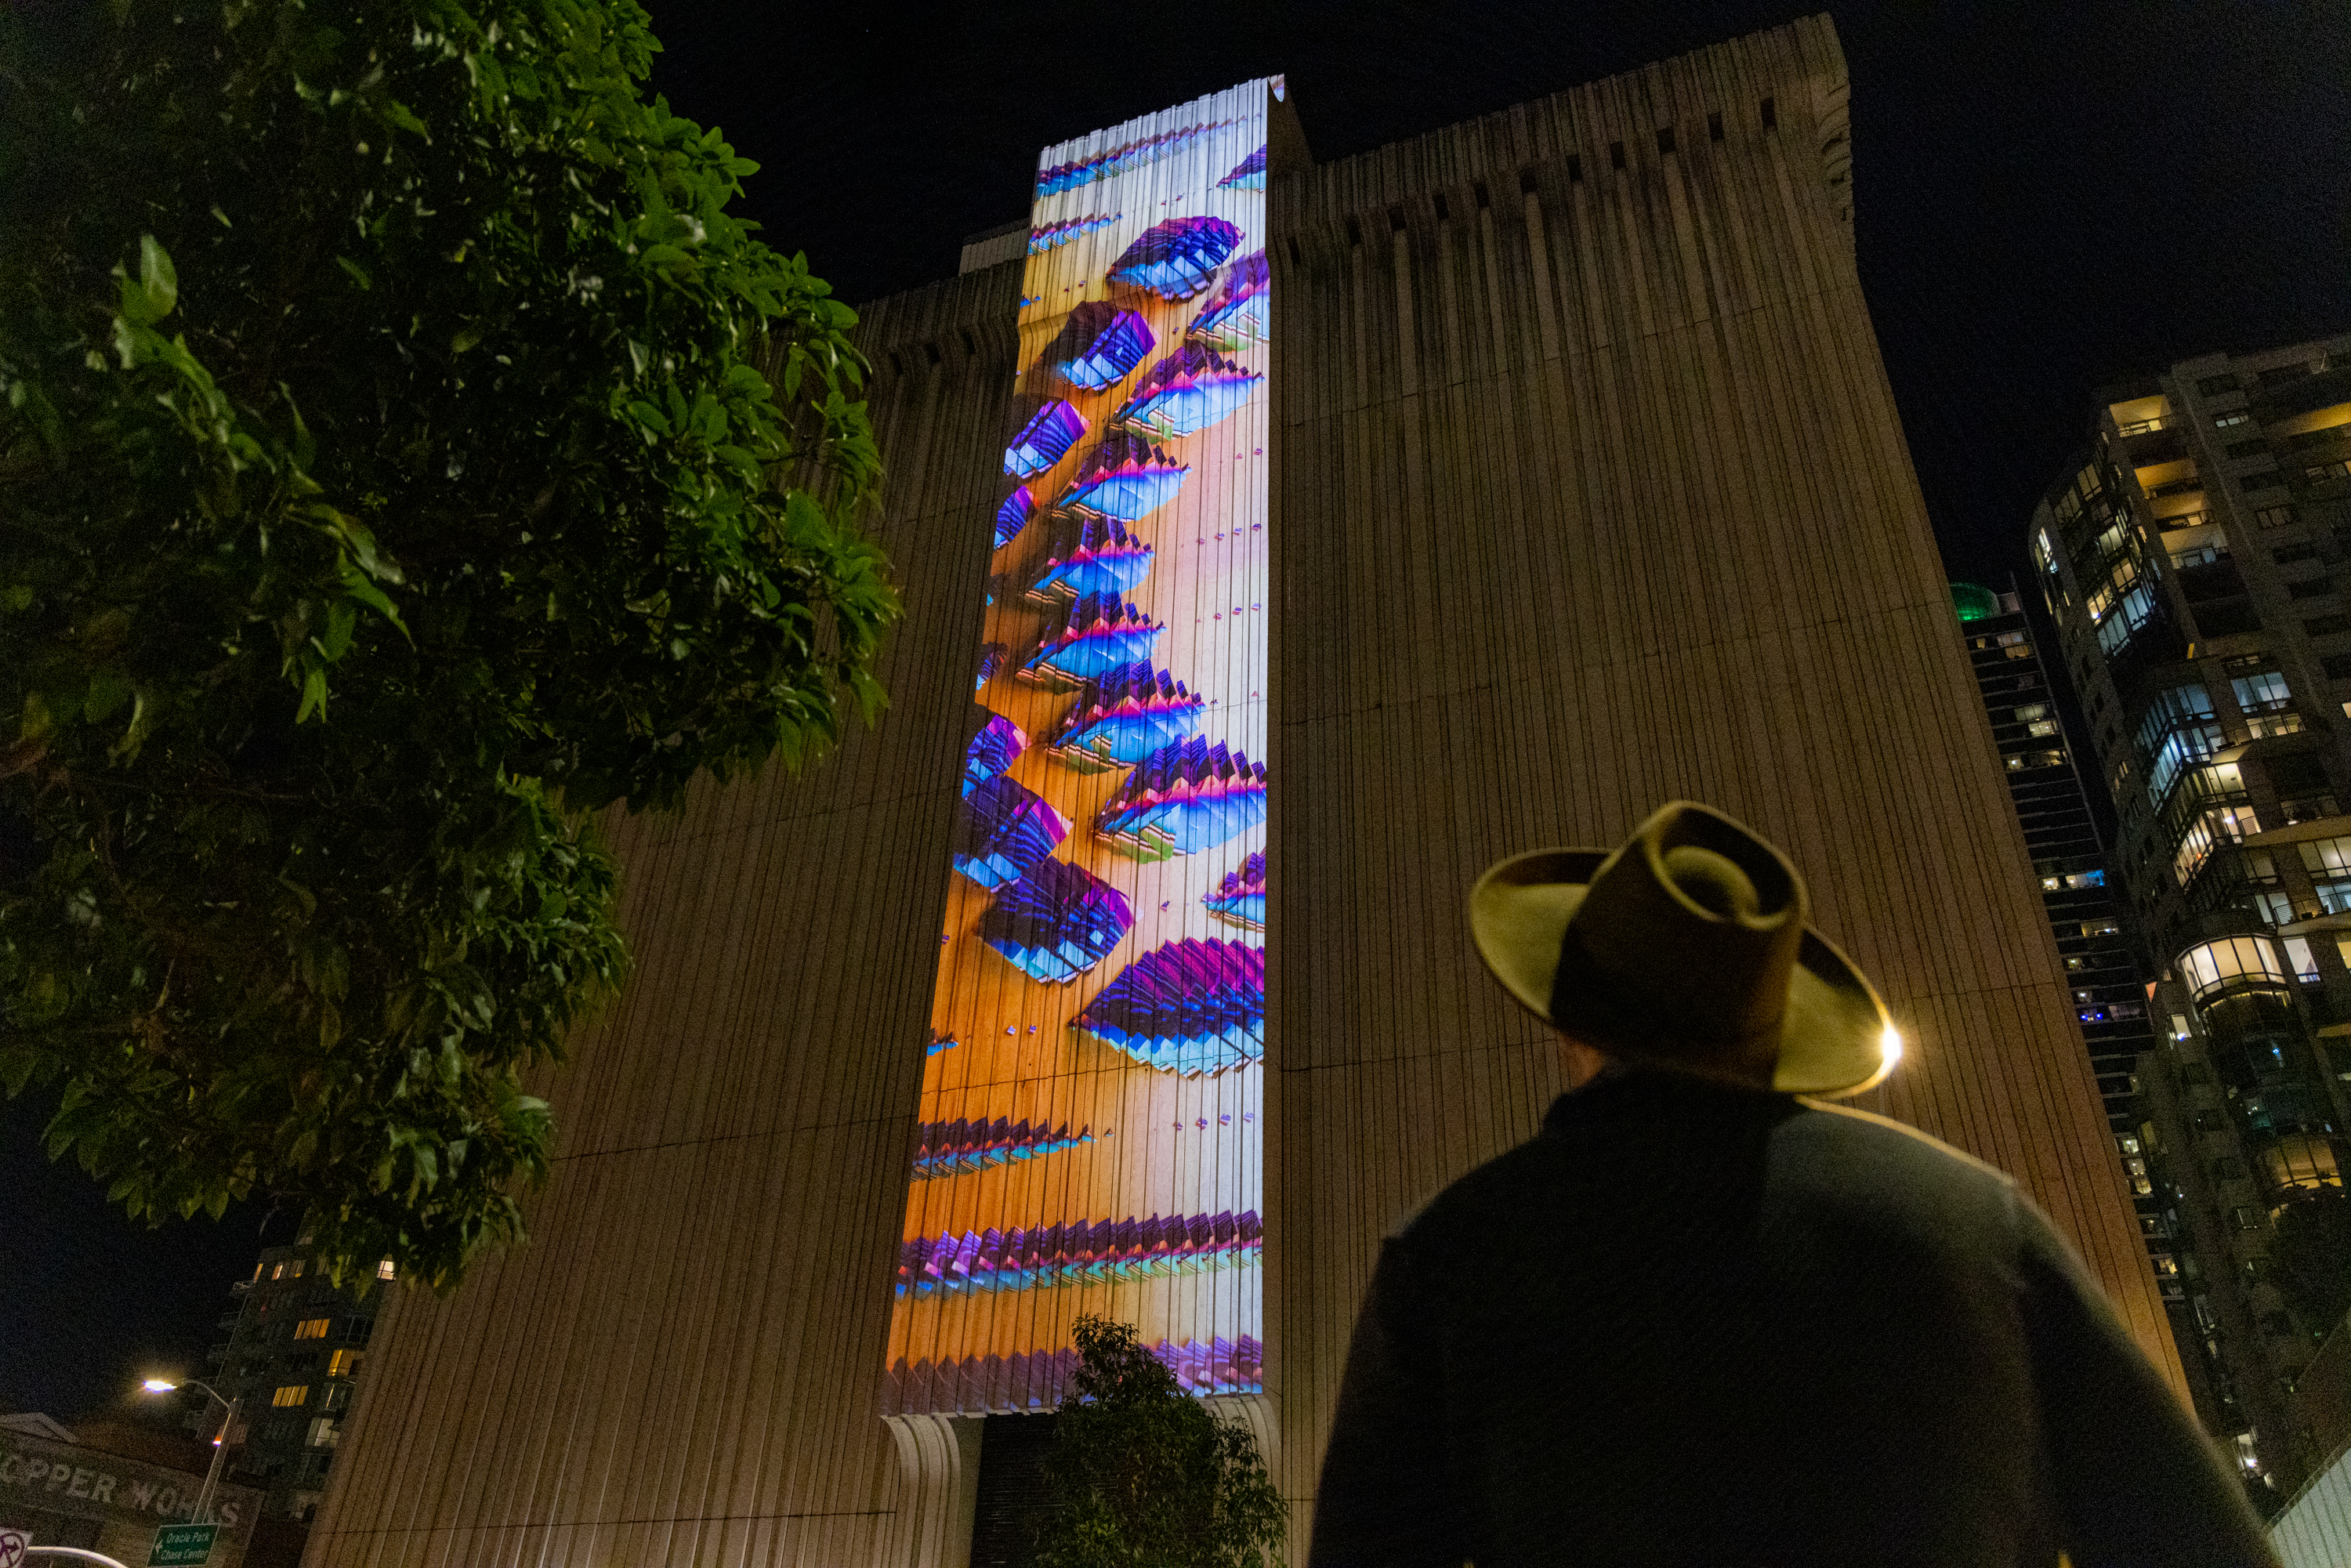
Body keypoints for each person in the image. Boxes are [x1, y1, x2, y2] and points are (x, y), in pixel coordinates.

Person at [1310, 801, 2278, 1567]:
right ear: (1775, 1030)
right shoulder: (1976, 1222)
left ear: (1570, 1022)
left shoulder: (1449, 1259)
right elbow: (2192, 1539)